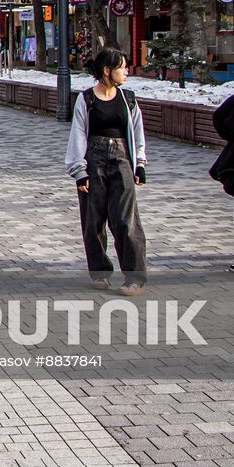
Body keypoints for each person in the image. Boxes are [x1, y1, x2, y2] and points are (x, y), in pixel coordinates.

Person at [64, 48, 149, 296]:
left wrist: (140, 164)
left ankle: (134, 278)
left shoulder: (128, 99)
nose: (126, 72)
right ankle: (100, 272)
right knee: (93, 219)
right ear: (106, 71)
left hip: (122, 160)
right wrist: (79, 171)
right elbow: (78, 133)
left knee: (126, 221)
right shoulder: (87, 99)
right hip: (93, 160)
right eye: (122, 67)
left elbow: (137, 132)